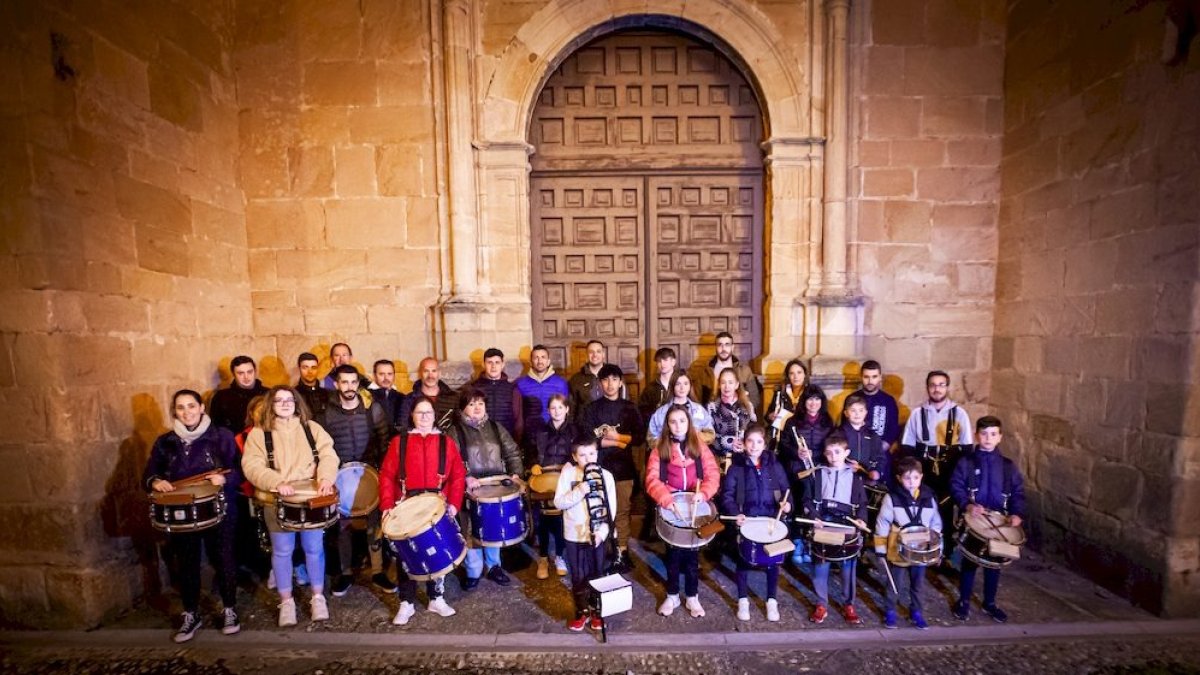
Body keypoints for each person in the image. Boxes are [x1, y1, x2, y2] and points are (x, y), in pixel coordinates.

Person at [143, 389, 242, 642]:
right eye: (180, 407)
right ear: (174, 412)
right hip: (181, 513)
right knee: (186, 563)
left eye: (191, 406)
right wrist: (156, 482)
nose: (186, 412)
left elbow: (240, 469)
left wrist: (225, 478)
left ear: (201, 408)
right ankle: (191, 613)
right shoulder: (165, 442)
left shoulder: (221, 437)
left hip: (218, 508)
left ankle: (229, 608)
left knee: (224, 558)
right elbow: (150, 473)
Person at [242, 385, 339, 627]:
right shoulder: (259, 433)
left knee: (314, 548)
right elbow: (252, 465)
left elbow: (328, 454)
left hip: (309, 498)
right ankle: (286, 602)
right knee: (282, 551)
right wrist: (276, 482)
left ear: (297, 403)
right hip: (276, 499)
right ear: (270, 405)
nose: (285, 404)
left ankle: (317, 597)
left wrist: (326, 477)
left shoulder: (311, 428)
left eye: (289, 400)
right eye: (279, 400)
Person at [378, 397, 467, 623]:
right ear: (412, 416)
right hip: (407, 503)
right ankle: (406, 602)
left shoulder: (446, 442)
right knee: (406, 554)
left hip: (436, 503)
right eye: (420, 413)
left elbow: (458, 476)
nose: (425, 417)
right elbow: (387, 475)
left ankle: (436, 598)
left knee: (436, 551)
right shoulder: (400, 442)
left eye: (428, 413)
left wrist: (454, 503)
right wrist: (387, 505)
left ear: (435, 415)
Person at [319, 365, 393, 597]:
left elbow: (384, 442)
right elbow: (321, 449)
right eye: (344, 382)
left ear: (358, 384)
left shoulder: (374, 410)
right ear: (337, 384)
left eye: (353, 382)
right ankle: (346, 573)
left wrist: (383, 475)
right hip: (339, 479)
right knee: (342, 528)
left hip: (370, 476)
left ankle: (378, 571)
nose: (349, 387)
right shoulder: (325, 414)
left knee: (375, 525)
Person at [645, 405, 720, 618]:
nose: (678, 425)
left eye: (682, 421)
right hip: (672, 507)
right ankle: (672, 595)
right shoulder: (660, 448)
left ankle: (692, 596)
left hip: (694, 505)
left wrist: (704, 493)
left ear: (689, 423)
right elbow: (652, 478)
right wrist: (666, 498)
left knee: (692, 557)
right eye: (673, 421)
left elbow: (712, 473)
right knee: (673, 556)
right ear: (667, 425)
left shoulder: (700, 446)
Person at [447, 387, 524, 589]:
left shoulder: (496, 427)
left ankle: (494, 566)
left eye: (480, 403)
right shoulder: (455, 432)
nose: (477, 407)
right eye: (471, 404)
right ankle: (473, 570)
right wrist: (465, 478)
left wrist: (515, 474)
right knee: (471, 530)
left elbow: (513, 452)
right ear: (463, 408)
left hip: (496, 488)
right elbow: (449, 463)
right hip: (469, 491)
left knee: (493, 527)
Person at [951, 416, 1025, 624]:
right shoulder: (966, 462)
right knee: (970, 561)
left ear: (1000, 437)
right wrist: (967, 504)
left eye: (993, 434)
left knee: (994, 564)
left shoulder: (1008, 466)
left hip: (1000, 521)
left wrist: (1017, 513)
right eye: (983, 434)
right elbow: (956, 485)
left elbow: (1018, 492)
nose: (988, 438)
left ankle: (989, 603)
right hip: (976, 520)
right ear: (976, 436)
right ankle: (964, 600)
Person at [719, 423, 791, 622]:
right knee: (743, 561)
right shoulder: (736, 467)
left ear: (765, 444)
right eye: (750, 441)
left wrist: (787, 505)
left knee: (772, 564)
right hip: (748, 522)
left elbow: (786, 490)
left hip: (771, 522)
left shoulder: (774, 465)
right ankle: (743, 600)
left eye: (759, 441)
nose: (754, 445)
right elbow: (727, 496)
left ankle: (771, 601)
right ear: (744, 442)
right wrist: (735, 513)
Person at [577, 364, 644, 571]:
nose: (610, 384)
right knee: (600, 511)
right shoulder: (591, 409)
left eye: (614, 379)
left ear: (621, 382)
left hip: (624, 469)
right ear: (600, 383)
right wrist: (617, 442)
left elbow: (640, 437)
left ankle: (622, 552)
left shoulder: (630, 408)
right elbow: (587, 440)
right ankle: (603, 550)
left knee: (622, 512)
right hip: (599, 468)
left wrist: (618, 437)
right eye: (606, 380)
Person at [900, 370, 973, 558]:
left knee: (947, 511)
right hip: (924, 468)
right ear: (927, 388)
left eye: (941, 385)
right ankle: (921, 550)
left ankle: (946, 554)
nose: (937, 389)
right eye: (933, 385)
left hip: (950, 469)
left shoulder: (959, 414)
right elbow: (907, 446)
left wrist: (962, 475)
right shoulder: (918, 413)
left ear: (947, 387)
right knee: (922, 508)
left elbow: (966, 449)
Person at [553, 435, 617, 632]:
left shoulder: (605, 476)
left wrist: (602, 532)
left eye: (591, 453)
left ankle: (598, 612)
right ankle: (582, 612)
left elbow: (611, 509)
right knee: (578, 575)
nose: (588, 458)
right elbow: (559, 502)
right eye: (582, 455)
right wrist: (580, 490)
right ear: (574, 456)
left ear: (597, 453)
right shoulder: (568, 475)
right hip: (574, 535)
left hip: (596, 535)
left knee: (597, 573)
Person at [803, 432, 868, 625]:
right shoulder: (818, 474)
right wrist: (814, 517)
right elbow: (807, 500)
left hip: (847, 525)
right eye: (829, 453)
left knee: (848, 568)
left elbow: (862, 504)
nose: (833, 456)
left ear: (846, 452)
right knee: (820, 567)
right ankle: (821, 603)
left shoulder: (855, 478)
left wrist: (862, 520)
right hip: (823, 523)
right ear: (825, 454)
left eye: (837, 452)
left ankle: (849, 604)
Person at [873, 456, 942, 629]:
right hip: (898, 547)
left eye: (915, 478)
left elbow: (936, 523)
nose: (911, 482)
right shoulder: (891, 498)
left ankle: (916, 612)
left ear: (921, 477)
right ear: (899, 478)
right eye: (907, 478)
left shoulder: (929, 497)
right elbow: (882, 524)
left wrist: (937, 547)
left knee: (917, 584)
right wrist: (880, 550)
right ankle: (890, 611)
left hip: (921, 548)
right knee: (894, 583)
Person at [777, 385, 833, 563]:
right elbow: (782, 446)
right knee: (798, 506)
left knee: (815, 507)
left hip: (818, 469)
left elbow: (832, 444)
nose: (813, 403)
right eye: (810, 399)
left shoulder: (828, 422)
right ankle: (797, 540)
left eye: (817, 399)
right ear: (804, 401)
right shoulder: (792, 422)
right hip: (797, 471)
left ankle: (812, 542)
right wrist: (797, 452)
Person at [526, 393, 576, 579]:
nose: (556, 411)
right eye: (553, 408)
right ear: (548, 410)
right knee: (544, 521)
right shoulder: (540, 430)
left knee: (562, 521)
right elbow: (531, 450)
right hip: (544, 478)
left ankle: (560, 556)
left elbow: (578, 452)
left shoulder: (574, 430)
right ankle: (543, 557)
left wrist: (570, 463)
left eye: (560, 408)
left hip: (563, 479)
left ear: (567, 409)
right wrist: (533, 463)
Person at [691, 331, 762, 412]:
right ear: (716, 347)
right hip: (712, 419)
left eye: (727, 344)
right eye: (720, 345)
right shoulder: (704, 372)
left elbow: (755, 398)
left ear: (732, 347)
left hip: (739, 419)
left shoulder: (744, 370)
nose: (723, 348)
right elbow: (696, 399)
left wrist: (742, 413)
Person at [646, 372, 715, 446]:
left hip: (693, 454)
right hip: (669, 455)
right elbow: (651, 438)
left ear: (690, 386)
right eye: (678, 384)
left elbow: (710, 435)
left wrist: (694, 437)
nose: (682, 387)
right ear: (672, 386)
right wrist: (668, 443)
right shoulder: (661, 412)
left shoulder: (699, 410)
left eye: (685, 384)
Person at [706, 367, 757, 466]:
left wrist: (745, 444)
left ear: (737, 384)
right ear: (719, 385)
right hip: (719, 460)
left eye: (730, 382)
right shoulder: (712, 408)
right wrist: (729, 443)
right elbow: (709, 437)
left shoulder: (747, 406)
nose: (727, 386)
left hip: (744, 458)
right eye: (723, 382)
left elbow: (754, 432)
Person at [473, 347, 524, 442]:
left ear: (502, 364)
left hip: (506, 442)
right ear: (483, 364)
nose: (493, 366)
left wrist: (516, 443)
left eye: (497, 362)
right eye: (489, 362)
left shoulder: (512, 389)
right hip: (480, 442)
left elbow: (518, 421)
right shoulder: (474, 388)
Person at [515, 344, 570, 433]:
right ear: (531, 361)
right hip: (530, 433)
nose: (540, 361)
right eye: (536, 357)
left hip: (555, 432)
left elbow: (566, 408)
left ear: (548, 361)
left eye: (543, 357)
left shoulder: (561, 383)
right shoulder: (520, 384)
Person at [840, 394, 889, 489]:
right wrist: (846, 466)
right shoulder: (839, 433)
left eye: (861, 410)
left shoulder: (873, 435)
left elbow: (880, 458)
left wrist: (877, 471)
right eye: (853, 410)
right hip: (845, 479)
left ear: (866, 412)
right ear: (846, 413)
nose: (857, 414)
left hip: (867, 481)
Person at [209, 355, 268, 434]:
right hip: (233, 443)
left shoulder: (269, 394)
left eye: (250, 372)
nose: (246, 377)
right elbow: (216, 428)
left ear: (255, 371)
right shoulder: (221, 397)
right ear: (233, 374)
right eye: (240, 373)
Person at [399, 357, 458, 431]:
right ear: (420, 374)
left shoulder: (453, 398)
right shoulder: (409, 399)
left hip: (448, 441)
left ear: (439, 373)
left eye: (434, 371)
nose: (430, 376)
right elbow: (403, 427)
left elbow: (459, 427)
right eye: (426, 371)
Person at [852, 360, 899, 449]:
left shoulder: (888, 401)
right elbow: (845, 426)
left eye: (874, 377)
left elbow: (893, 429)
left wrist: (881, 449)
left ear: (880, 377)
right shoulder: (852, 399)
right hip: (856, 450)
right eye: (866, 377)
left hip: (881, 452)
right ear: (861, 377)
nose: (870, 381)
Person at [569, 339, 623, 412]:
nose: (595, 355)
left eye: (598, 351)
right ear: (586, 354)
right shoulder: (576, 379)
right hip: (585, 422)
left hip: (611, 421)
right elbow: (572, 407)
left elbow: (625, 401)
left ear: (603, 354)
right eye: (591, 352)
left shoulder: (615, 375)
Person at [764, 358, 807, 445]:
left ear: (805, 374)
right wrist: (771, 416)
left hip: (803, 435)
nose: (796, 377)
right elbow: (768, 415)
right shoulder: (780, 393)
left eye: (799, 372)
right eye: (792, 373)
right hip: (783, 437)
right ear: (788, 376)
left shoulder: (810, 392)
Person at [637, 347, 679, 422]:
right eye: (659, 361)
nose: (662, 364)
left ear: (673, 362)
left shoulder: (682, 384)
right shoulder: (650, 388)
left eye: (665, 360)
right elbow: (642, 411)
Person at [369, 359, 407, 431]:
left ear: (394, 375)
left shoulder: (402, 397)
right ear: (374, 375)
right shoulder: (366, 396)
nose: (386, 378)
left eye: (389, 374)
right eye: (381, 374)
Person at [295, 352, 329, 419]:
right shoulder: (294, 395)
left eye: (313, 367)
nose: (310, 372)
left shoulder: (327, 394)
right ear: (299, 369)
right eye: (305, 367)